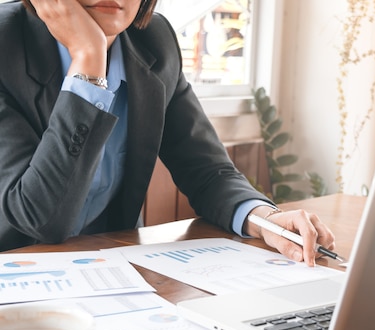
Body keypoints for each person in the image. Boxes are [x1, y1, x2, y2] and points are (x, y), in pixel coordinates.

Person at [0, 0, 336, 266]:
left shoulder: (154, 41)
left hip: (107, 272)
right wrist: (89, 59)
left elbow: (207, 172)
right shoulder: (5, 42)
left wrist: (268, 221)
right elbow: (41, 219)